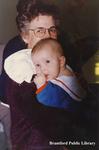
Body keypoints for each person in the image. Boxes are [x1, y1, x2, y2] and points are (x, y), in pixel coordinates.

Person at [3, 0, 73, 149]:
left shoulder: (51, 58)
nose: (48, 36)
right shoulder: (22, 70)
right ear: (25, 36)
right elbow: (45, 123)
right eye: (40, 30)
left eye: (52, 30)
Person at [31, 38, 85, 112]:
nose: (43, 69)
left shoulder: (60, 87)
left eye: (47, 61)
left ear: (61, 61)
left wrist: (41, 85)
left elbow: (47, 98)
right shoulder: (63, 68)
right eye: (38, 65)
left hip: (77, 111)